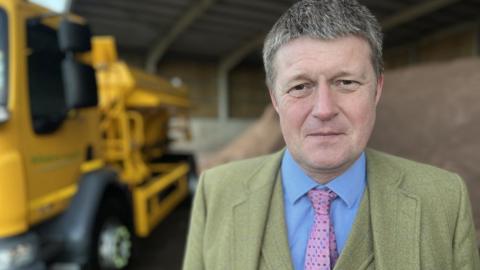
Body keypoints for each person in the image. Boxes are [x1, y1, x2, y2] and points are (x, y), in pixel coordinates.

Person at [182, 0, 480, 269]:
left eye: (346, 82)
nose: (324, 109)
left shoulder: (445, 199)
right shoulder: (216, 192)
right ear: (274, 98)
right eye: (300, 86)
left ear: (376, 90)